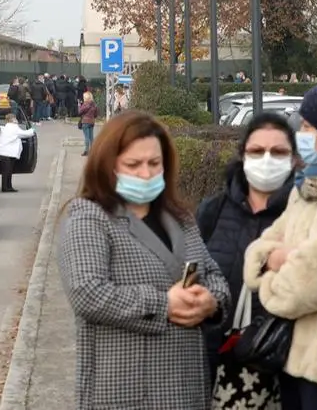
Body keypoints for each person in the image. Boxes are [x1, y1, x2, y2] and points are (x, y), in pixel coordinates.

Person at [58, 110, 229, 410]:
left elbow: (213, 275)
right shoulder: (90, 217)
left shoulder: (180, 217)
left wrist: (210, 302)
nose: (146, 173)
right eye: (133, 165)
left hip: (185, 388)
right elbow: (88, 292)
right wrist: (164, 305)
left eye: (154, 163)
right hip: (125, 392)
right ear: (109, 166)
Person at [244, 79, 317, 410]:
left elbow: (305, 287)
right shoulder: (308, 186)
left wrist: (277, 265)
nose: (300, 134)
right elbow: (256, 255)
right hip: (294, 362)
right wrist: (280, 260)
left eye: (308, 126)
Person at [199, 113, 297, 409]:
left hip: (287, 369)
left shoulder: (306, 215)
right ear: (242, 155)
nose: (267, 160)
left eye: (278, 152)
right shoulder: (212, 212)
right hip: (219, 364)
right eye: (257, 151)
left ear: (294, 160)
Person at [0, 114, 35, 193]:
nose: (16, 119)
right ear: (12, 119)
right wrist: (32, 130)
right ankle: (6, 187)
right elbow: (25, 134)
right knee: (7, 171)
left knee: (7, 170)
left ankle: (8, 186)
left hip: (4, 152)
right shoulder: (13, 128)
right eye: (15, 118)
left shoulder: (6, 127)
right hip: (7, 153)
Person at [78, 91, 97, 156]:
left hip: (85, 122)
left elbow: (80, 112)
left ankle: (86, 150)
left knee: (86, 137)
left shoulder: (85, 104)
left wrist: (80, 105)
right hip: (92, 122)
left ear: (85, 98)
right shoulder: (94, 105)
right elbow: (96, 114)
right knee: (91, 137)